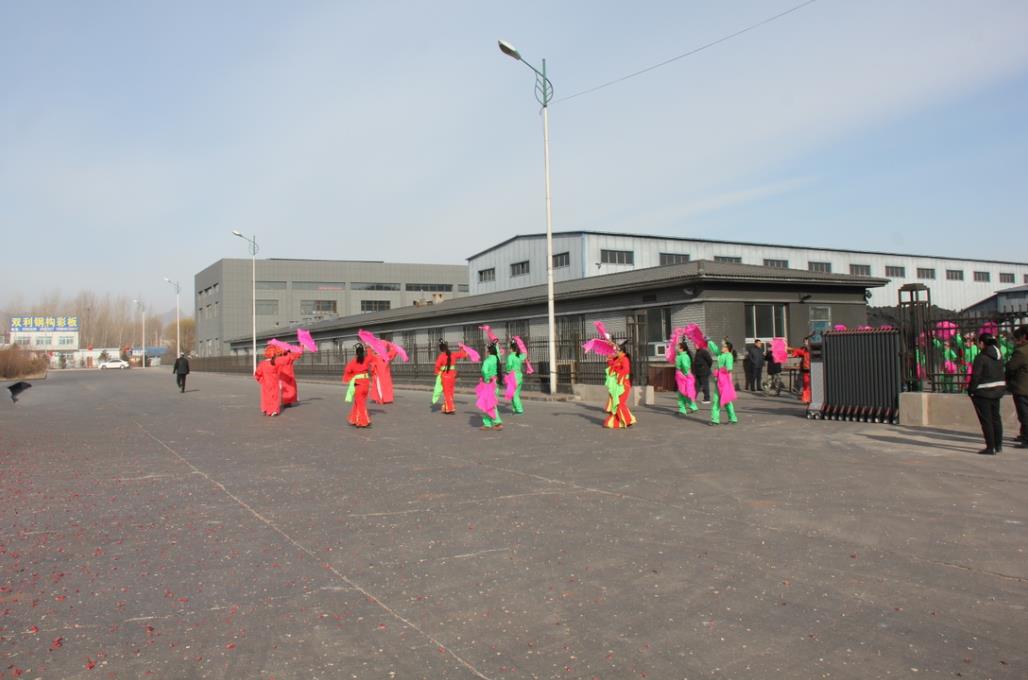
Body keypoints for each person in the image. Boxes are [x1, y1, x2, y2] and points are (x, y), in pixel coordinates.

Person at [968, 333, 1006, 455]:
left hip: (983, 392)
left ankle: (990, 447)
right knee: (996, 418)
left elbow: (976, 376)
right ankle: (998, 445)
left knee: (986, 420)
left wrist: (971, 390)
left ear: (982, 343)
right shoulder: (999, 356)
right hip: (997, 390)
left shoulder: (981, 357)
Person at [604, 342, 637, 428]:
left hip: (623, 384)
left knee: (620, 403)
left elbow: (626, 370)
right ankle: (617, 422)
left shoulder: (625, 359)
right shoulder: (617, 359)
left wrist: (617, 373)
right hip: (617, 385)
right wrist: (609, 360)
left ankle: (628, 420)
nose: (615, 352)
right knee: (615, 403)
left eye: (617, 350)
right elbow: (612, 367)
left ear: (622, 351)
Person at [1006, 326, 1028, 449]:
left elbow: (1011, 367)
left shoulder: (1022, 351)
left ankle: (1026, 438)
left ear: (1023, 337)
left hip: (1023, 387)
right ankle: (1024, 434)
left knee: (1024, 414)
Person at [342, 342, 374, 428]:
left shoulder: (352, 362)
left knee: (360, 404)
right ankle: (354, 419)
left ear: (356, 353)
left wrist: (350, 379)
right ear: (363, 352)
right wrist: (368, 347)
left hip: (358, 385)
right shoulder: (366, 360)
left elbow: (347, 372)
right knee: (359, 403)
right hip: (366, 385)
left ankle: (363, 421)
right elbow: (371, 356)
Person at [432, 340, 467, 415]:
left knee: (447, 393)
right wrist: (462, 347)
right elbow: (462, 354)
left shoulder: (441, 356)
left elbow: (437, 366)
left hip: (445, 376)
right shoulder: (453, 354)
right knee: (450, 392)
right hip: (453, 376)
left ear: (440, 349)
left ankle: (450, 409)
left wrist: (438, 373)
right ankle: (446, 408)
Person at [709, 338, 738, 425]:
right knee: (716, 400)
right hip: (719, 380)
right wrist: (709, 341)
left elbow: (729, 368)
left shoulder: (729, 356)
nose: (722, 347)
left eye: (724, 346)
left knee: (726, 400)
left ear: (727, 348)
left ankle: (732, 418)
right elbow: (715, 349)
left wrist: (719, 371)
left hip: (725, 381)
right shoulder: (721, 354)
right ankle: (715, 420)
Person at [478, 342, 504, 430]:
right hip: (495, 383)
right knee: (490, 403)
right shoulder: (497, 359)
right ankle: (488, 423)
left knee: (489, 404)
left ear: (488, 351)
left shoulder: (487, 361)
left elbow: (484, 371)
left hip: (489, 383)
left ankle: (496, 422)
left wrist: (486, 379)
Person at [254, 349, 282, 416]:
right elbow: (279, 373)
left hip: (265, 383)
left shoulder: (262, 364)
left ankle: (265, 409)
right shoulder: (276, 363)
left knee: (265, 397)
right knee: (274, 397)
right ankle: (274, 410)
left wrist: (261, 381)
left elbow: (257, 374)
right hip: (274, 383)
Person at [674, 340, 699, 415]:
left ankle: (685, 409)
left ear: (682, 349)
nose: (676, 348)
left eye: (678, 347)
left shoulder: (683, 356)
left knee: (682, 393)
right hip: (682, 375)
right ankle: (691, 407)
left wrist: (685, 374)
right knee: (683, 393)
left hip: (682, 376)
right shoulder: (681, 355)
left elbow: (685, 366)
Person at [504, 339, 526, 414]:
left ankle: (519, 409)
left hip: (513, 377)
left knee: (514, 394)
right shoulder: (519, 356)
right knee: (516, 393)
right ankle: (515, 408)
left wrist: (507, 371)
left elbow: (509, 366)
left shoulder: (510, 356)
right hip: (519, 376)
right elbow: (525, 355)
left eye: (509, 348)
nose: (509, 350)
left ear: (511, 348)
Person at [791, 338, 813, 404]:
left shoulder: (813, 349)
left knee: (811, 385)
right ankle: (806, 399)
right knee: (806, 385)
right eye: (805, 342)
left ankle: (810, 398)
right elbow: (796, 353)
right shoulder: (803, 349)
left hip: (813, 369)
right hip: (805, 369)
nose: (806, 343)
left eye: (807, 342)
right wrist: (794, 353)